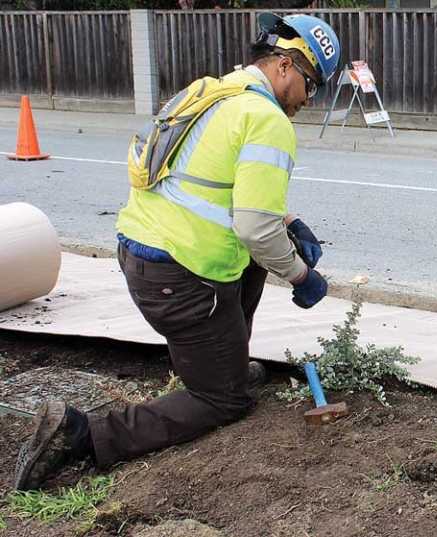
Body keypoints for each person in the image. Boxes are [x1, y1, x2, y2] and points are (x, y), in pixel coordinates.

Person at [15, 13, 341, 490]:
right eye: (311, 85)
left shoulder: (214, 92)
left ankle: (224, 360)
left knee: (262, 253)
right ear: (286, 65)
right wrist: (300, 276)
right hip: (180, 277)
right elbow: (253, 227)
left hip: (143, 256)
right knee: (223, 401)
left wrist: (290, 222)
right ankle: (82, 435)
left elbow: (216, 181)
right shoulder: (268, 120)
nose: (308, 100)